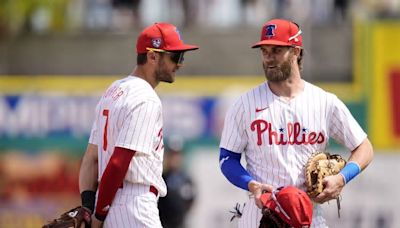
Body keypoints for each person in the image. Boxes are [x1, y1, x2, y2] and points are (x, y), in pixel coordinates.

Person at [218, 18, 373, 227]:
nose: (269, 58)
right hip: (261, 217)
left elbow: (364, 147)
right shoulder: (245, 105)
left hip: (308, 216)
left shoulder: (324, 102)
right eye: (264, 51)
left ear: (296, 51)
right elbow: (227, 159)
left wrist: (342, 178)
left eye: (276, 50)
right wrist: (250, 184)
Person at [78, 22, 199, 228]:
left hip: (108, 202)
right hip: (134, 206)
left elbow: (91, 158)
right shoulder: (146, 99)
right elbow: (118, 162)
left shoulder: (113, 91)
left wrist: (89, 207)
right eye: (175, 56)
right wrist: (98, 216)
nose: (180, 64)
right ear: (152, 56)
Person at [158, 144, 196, 228]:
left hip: (180, 223)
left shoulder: (186, 179)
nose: (175, 158)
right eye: (172, 155)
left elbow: (191, 200)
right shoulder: (160, 178)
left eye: (177, 155)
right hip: (162, 223)